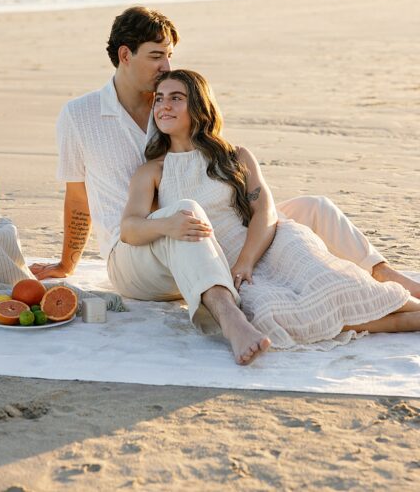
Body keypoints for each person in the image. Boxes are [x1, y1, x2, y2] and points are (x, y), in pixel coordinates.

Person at [32, 6, 420, 296]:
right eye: (156, 56)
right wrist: (68, 263)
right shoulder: (79, 116)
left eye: (170, 56)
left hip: (208, 232)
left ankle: (386, 275)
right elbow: (77, 195)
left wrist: (249, 239)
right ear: (124, 55)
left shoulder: (172, 104)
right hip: (143, 251)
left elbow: (216, 173)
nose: (167, 66)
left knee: (313, 208)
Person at [126, 69, 420, 348]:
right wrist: (165, 226)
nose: (164, 105)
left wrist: (245, 263)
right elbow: (129, 229)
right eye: (160, 98)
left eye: (176, 97)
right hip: (220, 261)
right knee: (271, 315)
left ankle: (409, 310)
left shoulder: (235, 156)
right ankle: (403, 322)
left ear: (199, 105)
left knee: (339, 285)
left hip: (271, 243)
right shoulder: (153, 171)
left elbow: (264, 212)